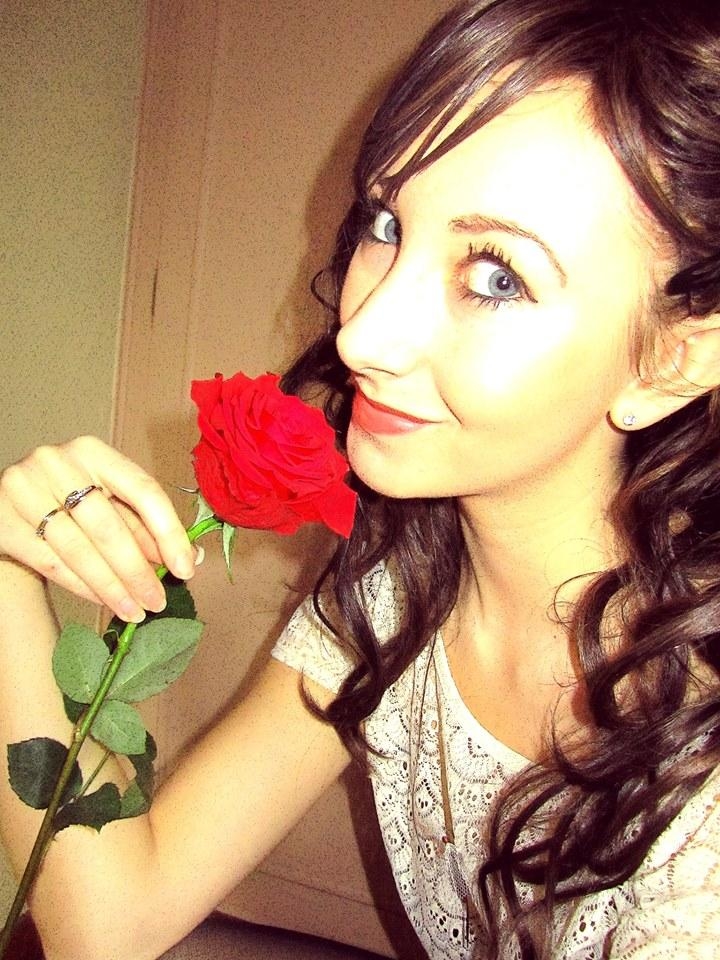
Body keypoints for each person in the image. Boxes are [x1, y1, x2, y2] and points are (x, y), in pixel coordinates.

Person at [2, 0, 720, 957]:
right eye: (387, 221)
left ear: (670, 361)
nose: (361, 335)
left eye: (497, 277)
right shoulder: (395, 600)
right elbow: (111, 922)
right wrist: (6, 576)